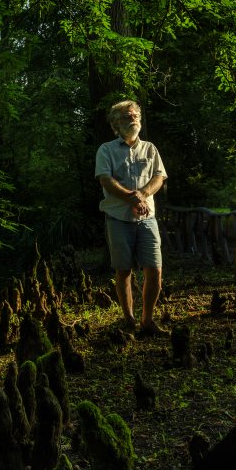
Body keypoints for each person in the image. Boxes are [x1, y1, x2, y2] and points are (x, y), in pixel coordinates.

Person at [95, 100, 168, 337]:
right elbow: (106, 180)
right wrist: (132, 198)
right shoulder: (106, 150)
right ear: (116, 123)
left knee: (154, 269)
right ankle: (129, 319)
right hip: (117, 218)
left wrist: (144, 194)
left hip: (147, 219)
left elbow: (159, 177)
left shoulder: (150, 148)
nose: (134, 119)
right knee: (124, 270)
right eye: (127, 116)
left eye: (136, 115)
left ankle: (147, 321)